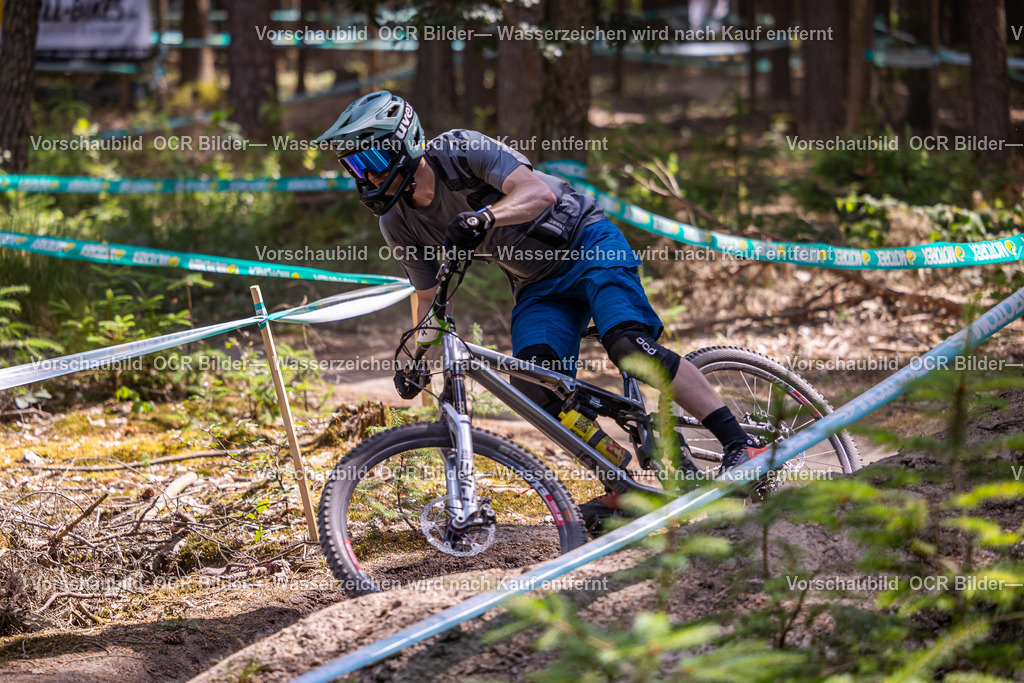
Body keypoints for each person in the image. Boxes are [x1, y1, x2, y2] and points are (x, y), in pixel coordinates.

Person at [316, 91, 763, 533]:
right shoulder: (397, 222)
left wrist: (485, 218)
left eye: (370, 161)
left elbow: (536, 193)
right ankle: (623, 483)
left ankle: (740, 444)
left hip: (588, 243)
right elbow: (431, 298)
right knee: (534, 386)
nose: (365, 177)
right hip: (537, 283)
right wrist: (419, 360)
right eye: (354, 166)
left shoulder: (460, 151)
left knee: (628, 345)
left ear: (403, 144)